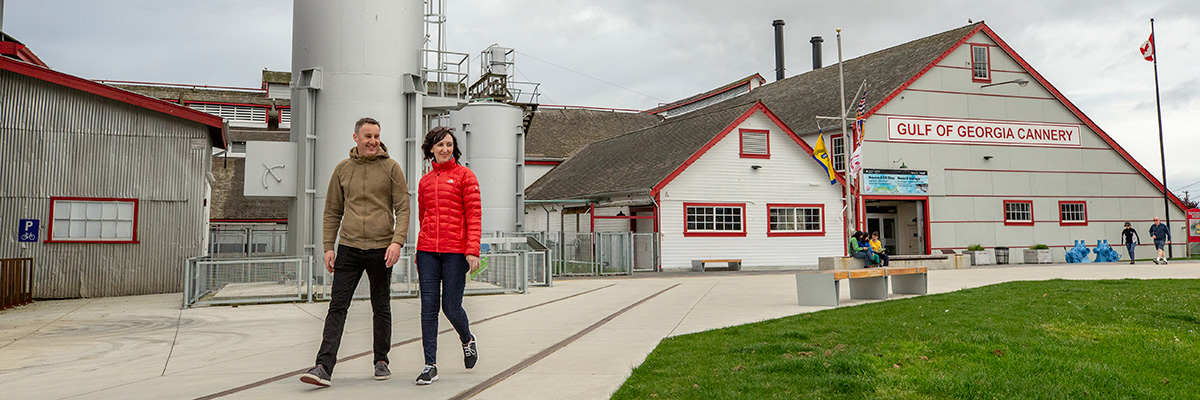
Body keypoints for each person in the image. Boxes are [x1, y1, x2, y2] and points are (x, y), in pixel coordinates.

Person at [301, 117, 410, 387]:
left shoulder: (391, 168)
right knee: (337, 306)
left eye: (376, 136)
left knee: (381, 306)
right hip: (348, 247)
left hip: (381, 247)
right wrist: (328, 246)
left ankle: (381, 359)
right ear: (356, 138)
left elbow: (404, 208)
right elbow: (332, 211)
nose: (373, 141)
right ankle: (323, 366)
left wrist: (397, 241)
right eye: (367, 136)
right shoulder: (342, 169)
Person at [414, 126, 481, 386]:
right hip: (428, 251)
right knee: (428, 307)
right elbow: (423, 216)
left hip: (455, 253)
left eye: (449, 145)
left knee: (451, 307)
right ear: (430, 148)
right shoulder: (425, 182)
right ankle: (430, 365)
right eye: (440, 145)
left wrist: (472, 250)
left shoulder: (466, 176)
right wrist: (424, 245)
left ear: (454, 149)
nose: (445, 149)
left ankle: (467, 339)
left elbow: (474, 215)